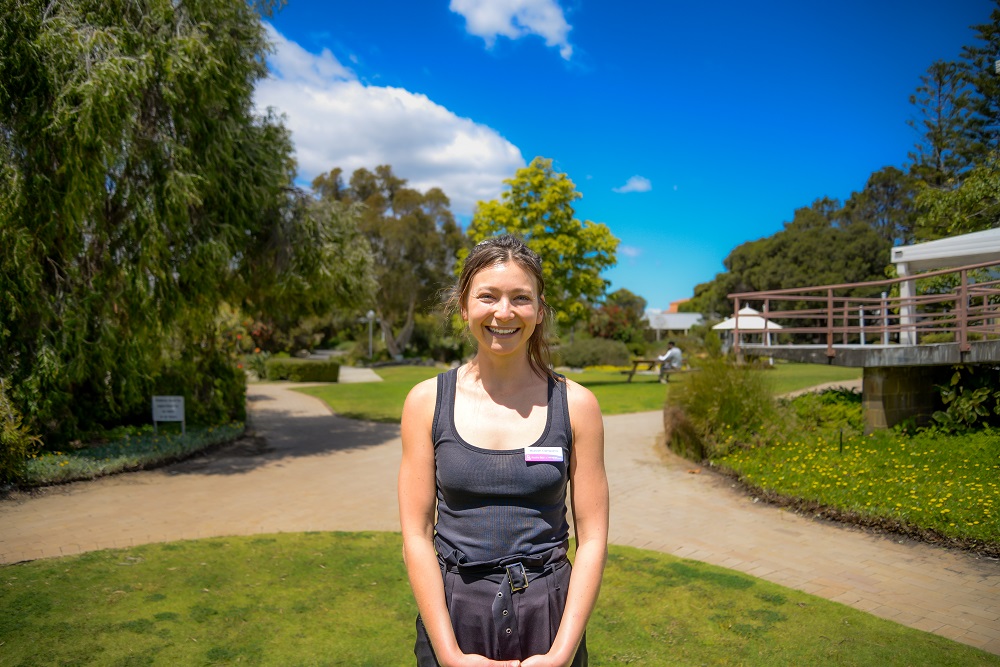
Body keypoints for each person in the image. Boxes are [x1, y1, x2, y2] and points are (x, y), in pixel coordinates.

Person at [398, 234, 609, 667]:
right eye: (488, 296)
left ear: (539, 310)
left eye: (520, 298)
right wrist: (451, 656)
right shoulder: (425, 402)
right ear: (464, 306)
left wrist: (561, 654)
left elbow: (592, 539)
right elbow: (415, 535)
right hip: (455, 617)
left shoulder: (576, 405)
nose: (504, 312)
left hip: (549, 619)